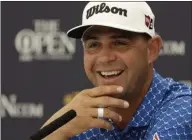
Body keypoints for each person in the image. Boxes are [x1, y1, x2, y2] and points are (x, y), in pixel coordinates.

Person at [42, 2, 192, 140]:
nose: (105, 58)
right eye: (94, 45)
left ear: (151, 49)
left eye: (120, 43)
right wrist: (55, 130)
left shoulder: (183, 110)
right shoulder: (81, 118)